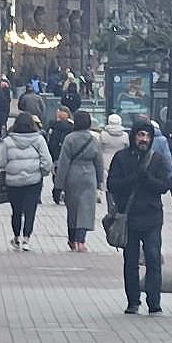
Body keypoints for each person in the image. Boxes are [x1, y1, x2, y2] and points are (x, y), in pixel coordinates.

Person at [106, 120, 171, 315]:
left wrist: (148, 179)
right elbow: (112, 184)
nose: (144, 139)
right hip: (130, 216)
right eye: (140, 135)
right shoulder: (122, 158)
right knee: (131, 261)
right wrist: (134, 178)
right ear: (133, 136)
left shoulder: (157, 159)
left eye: (147, 136)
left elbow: (165, 185)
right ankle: (133, 301)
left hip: (151, 217)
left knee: (153, 259)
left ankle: (154, 302)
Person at [0, 112, 52, 251]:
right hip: (33, 180)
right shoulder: (38, 140)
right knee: (31, 210)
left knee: (16, 210)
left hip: (13, 181)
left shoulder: (8, 141)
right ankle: (27, 238)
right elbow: (47, 161)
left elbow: (1, 162)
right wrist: (42, 173)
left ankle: (16, 237)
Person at [55, 110, 104, 251]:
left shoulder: (69, 139)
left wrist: (59, 184)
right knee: (86, 209)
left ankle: (71, 239)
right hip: (89, 175)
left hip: (72, 174)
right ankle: (81, 241)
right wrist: (100, 181)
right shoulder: (93, 139)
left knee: (73, 208)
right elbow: (99, 162)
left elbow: (63, 162)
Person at [46, 106, 74, 204]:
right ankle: (66, 193)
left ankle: (57, 193)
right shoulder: (72, 127)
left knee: (57, 173)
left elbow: (52, 142)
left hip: (57, 154)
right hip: (69, 155)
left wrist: (51, 154)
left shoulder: (54, 127)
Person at [98, 113, 129, 179]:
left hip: (105, 161)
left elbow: (99, 148)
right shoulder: (125, 135)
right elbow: (127, 148)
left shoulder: (103, 134)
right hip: (121, 161)